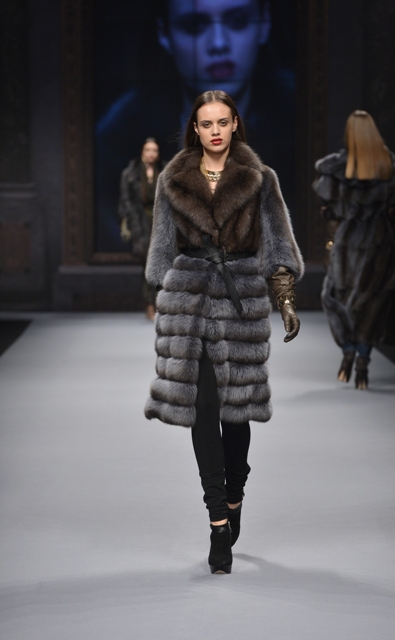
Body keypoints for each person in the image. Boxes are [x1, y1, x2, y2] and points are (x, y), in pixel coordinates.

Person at [144, 90, 304, 574]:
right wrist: (161, 299)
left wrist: (285, 300)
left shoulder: (260, 179)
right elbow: (162, 248)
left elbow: (276, 242)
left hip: (240, 302)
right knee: (202, 407)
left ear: (235, 124)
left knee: (236, 414)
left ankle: (234, 494)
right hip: (190, 300)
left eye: (222, 122)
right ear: (195, 129)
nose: (214, 131)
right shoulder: (173, 179)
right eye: (205, 123)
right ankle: (217, 520)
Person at [94, 0, 295, 251]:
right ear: (164, 34)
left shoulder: (301, 133)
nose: (219, 44)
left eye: (238, 21)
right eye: (194, 26)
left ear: (264, 24)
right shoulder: (115, 145)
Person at [312, 110, 395, 390]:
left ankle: (348, 351)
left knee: (335, 297)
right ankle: (363, 362)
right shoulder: (387, 168)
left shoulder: (336, 170)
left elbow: (329, 210)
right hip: (379, 241)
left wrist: (334, 214)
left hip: (348, 242)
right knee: (371, 304)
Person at [118, 138, 164, 320]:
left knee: (162, 264)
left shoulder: (165, 172)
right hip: (141, 223)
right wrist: (129, 222)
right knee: (147, 264)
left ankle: (160, 302)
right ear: (143, 153)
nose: (151, 153)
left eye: (154, 150)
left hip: (161, 223)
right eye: (148, 150)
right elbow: (125, 201)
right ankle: (149, 303)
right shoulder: (131, 174)